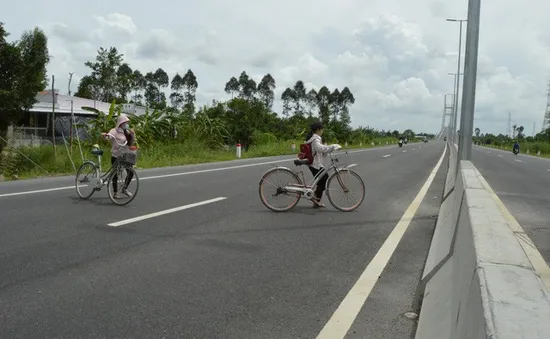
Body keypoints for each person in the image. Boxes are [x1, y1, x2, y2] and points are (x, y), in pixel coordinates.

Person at [304, 122, 341, 208]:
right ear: (317, 130)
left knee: (322, 180)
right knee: (324, 179)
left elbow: (320, 151)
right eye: (322, 129)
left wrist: (327, 148)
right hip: (315, 164)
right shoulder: (315, 138)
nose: (322, 131)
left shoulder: (313, 138)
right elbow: (319, 148)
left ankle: (316, 200)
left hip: (315, 163)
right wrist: (333, 146)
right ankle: (316, 200)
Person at [101, 114, 137, 199]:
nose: (127, 124)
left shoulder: (127, 131)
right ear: (121, 122)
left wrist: (132, 135)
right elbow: (108, 137)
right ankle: (115, 192)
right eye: (125, 122)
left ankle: (124, 188)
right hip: (116, 155)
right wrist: (105, 136)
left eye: (127, 123)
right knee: (115, 174)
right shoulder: (114, 131)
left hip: (125, 156)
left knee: (130, 172)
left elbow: (131, 143)